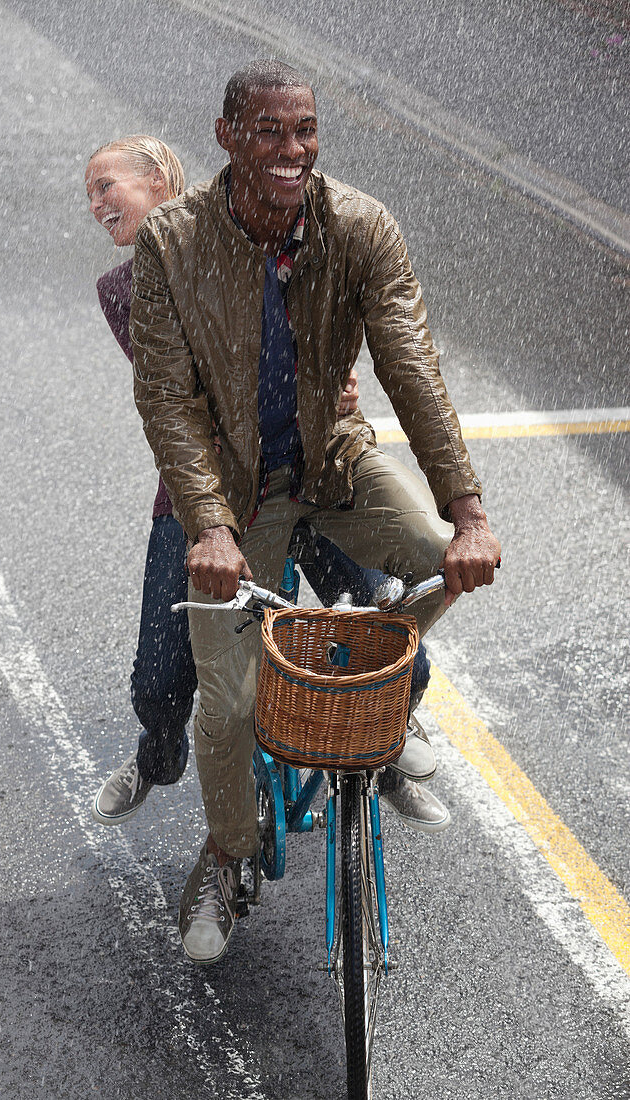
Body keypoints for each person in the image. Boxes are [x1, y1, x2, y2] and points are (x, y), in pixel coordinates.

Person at [129, 60, 501, 965]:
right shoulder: (170, 241)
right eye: (268, 131)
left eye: (304, 131)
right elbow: (166, 401)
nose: (291, 150)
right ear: (225, 135)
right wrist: (208, 528)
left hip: (332, 467)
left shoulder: (362, 226)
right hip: (229, 496)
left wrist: (468, 511)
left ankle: (384, 702)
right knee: (223, 706)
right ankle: (225, 855)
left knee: (434, 558)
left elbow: (411, 370)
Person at [84, 133, 440, 834]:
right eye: (89, 196)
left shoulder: (257, 245)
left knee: (388, 629)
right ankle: (157, 758)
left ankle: (384, 752)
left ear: (158, 180)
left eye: (105, 186)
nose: (95, 205)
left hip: (309, 474)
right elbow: (186, 399)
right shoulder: (124, 288)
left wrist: (334, 376)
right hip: (209, 500)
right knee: (161, 680)